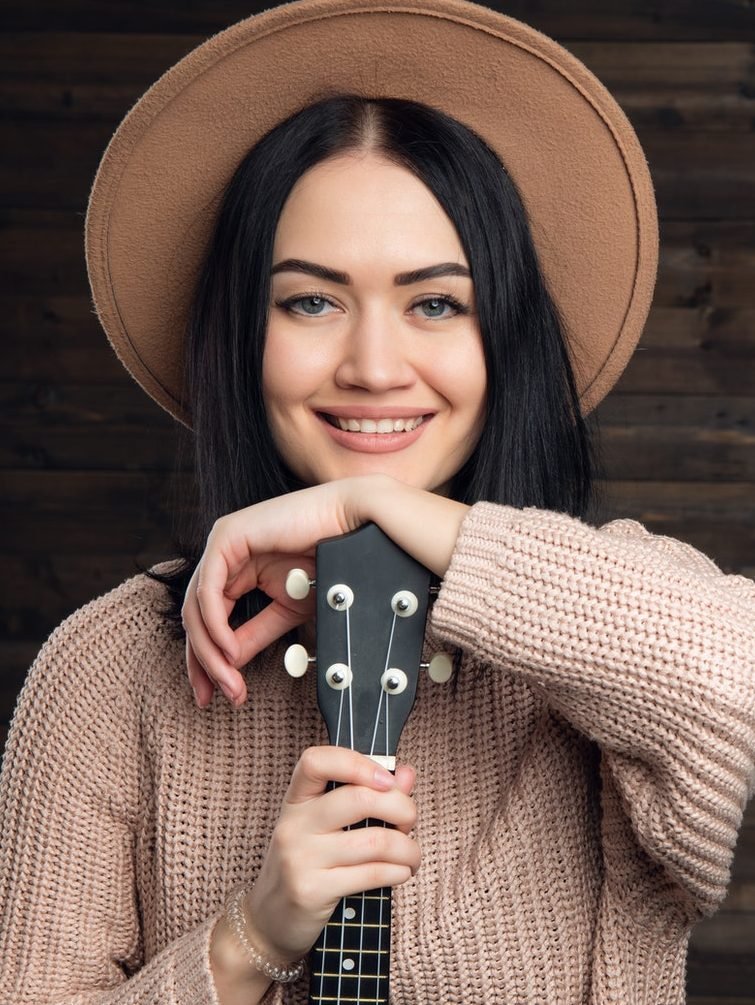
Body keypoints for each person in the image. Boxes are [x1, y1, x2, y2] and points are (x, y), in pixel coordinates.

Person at [1, 1, 753, 1004]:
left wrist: (385, 511)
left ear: (503, 341)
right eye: (310, 301)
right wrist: (247, 938)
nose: (370, 366)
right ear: (242, 332)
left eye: (434, 302)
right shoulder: (109, 675)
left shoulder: (600, 638)